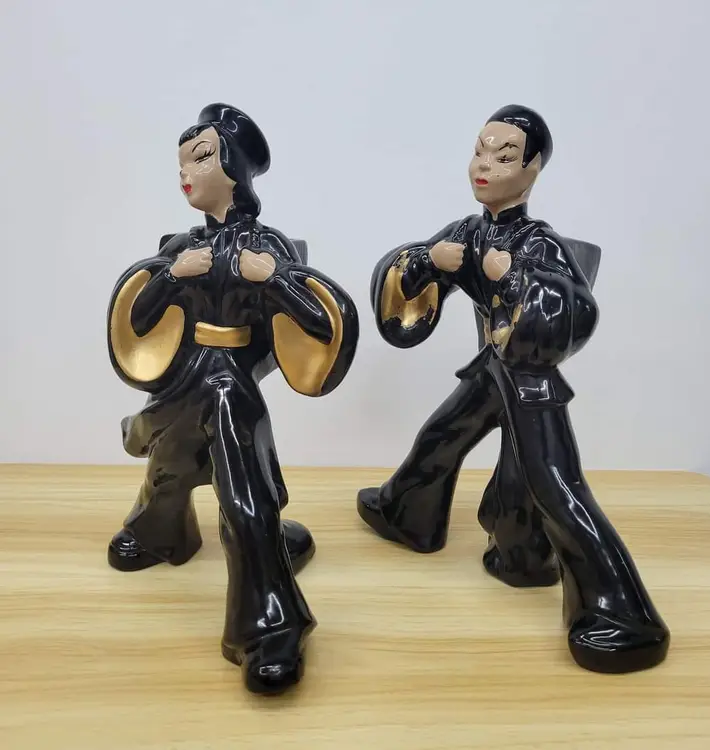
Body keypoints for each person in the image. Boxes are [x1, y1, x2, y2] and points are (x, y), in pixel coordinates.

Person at [358, 104, 669, 674]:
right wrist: (427, 260)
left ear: (532, 170)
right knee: (443, 433)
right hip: (493, 365)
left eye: (503, 156)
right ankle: (413, 514)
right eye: (480, 151)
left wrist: (516, 276)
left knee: (554, 483)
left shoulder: (539, 242)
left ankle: (622, 614)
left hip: (530, 377)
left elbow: (576, 308)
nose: (485, 165)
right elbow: (406, 282)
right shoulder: (468, 231)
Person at [106, 103, 359, 694]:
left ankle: (269, 625)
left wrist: (273, 278)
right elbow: (138, 316)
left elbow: (317, 320)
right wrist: (174, 274)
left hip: (229, 387)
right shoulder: (181, 246)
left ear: (235, 167)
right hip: (186, 380)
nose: (185, 172)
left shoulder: (268, 246)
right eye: (181, 162)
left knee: (243, 498)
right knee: (169, 468)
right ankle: (161, 533)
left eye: (200, 158)